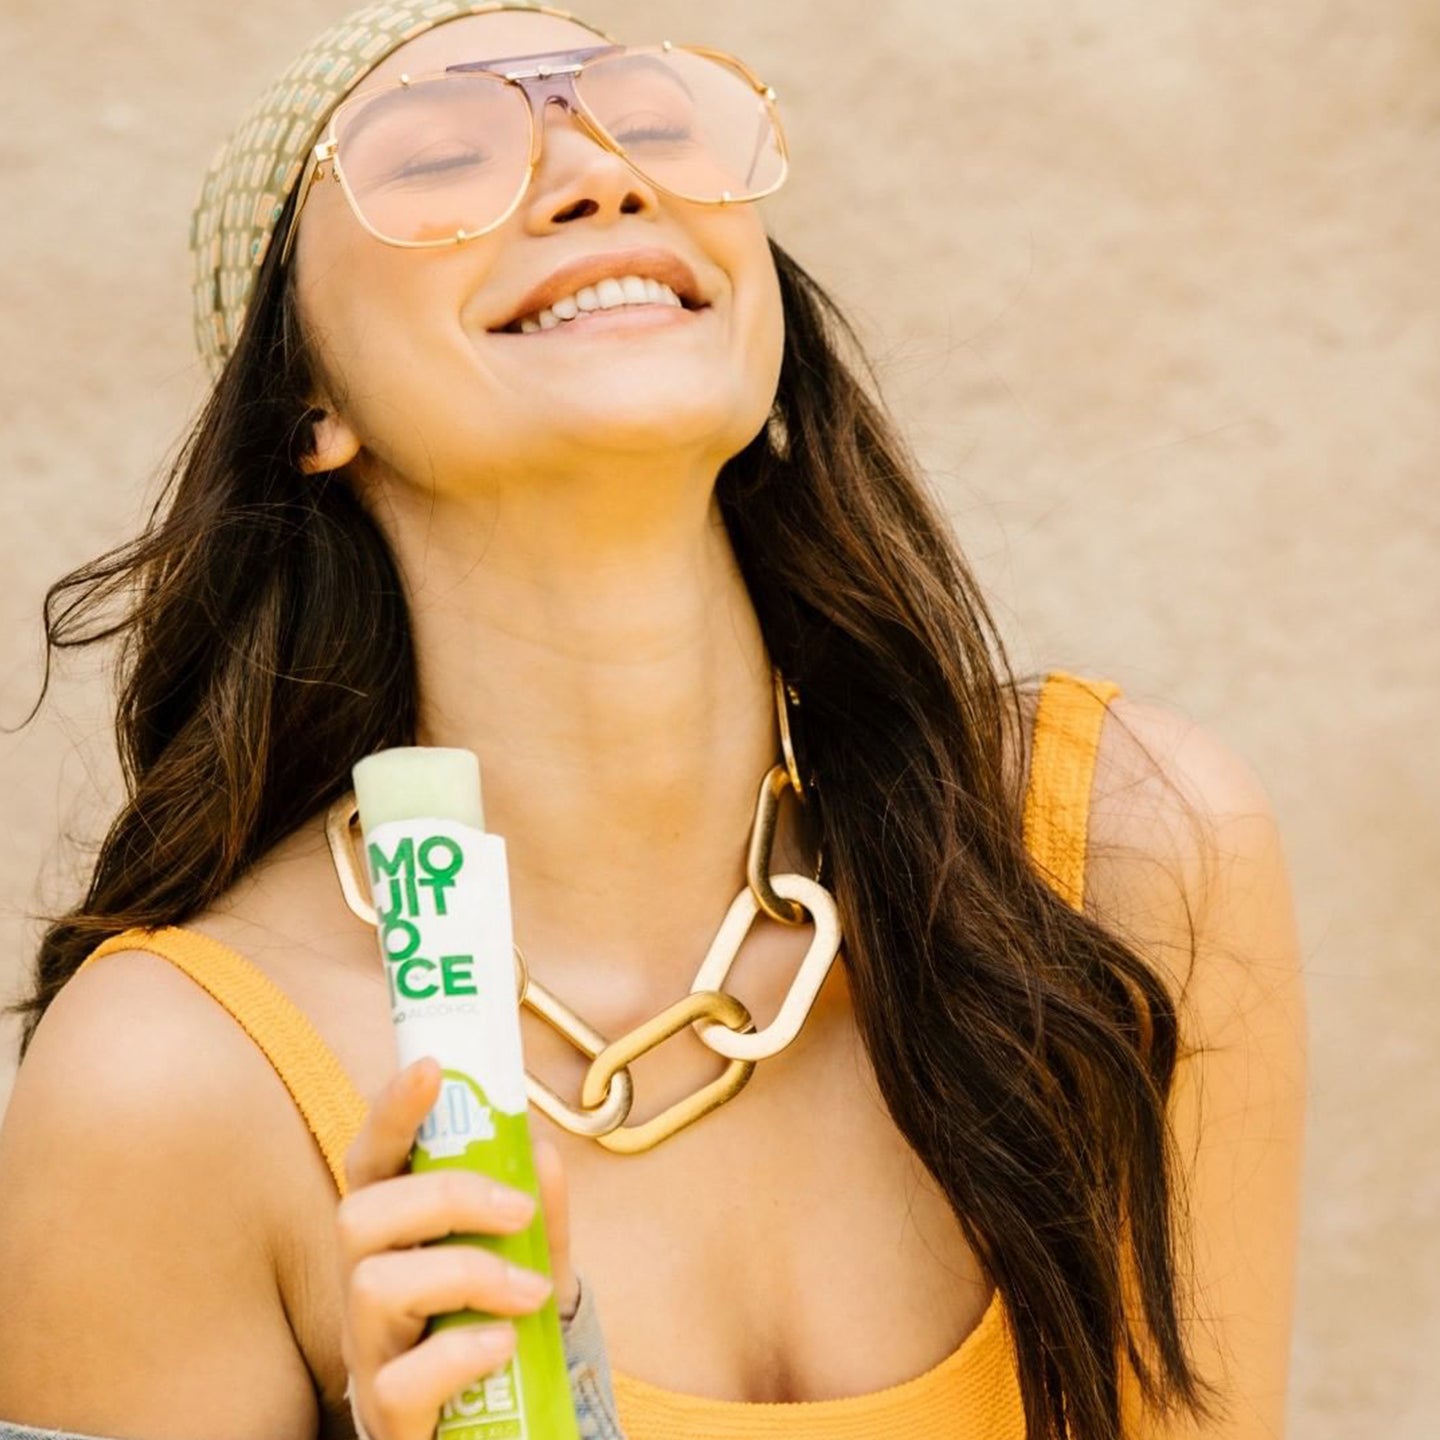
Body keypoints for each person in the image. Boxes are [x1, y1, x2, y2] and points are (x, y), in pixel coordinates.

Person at [0, 2, 1308, 1438]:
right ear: (305, 397)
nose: (598, 173)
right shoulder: (174, 1087)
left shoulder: (1114, 856)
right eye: (440, 155)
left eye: (659, 122)